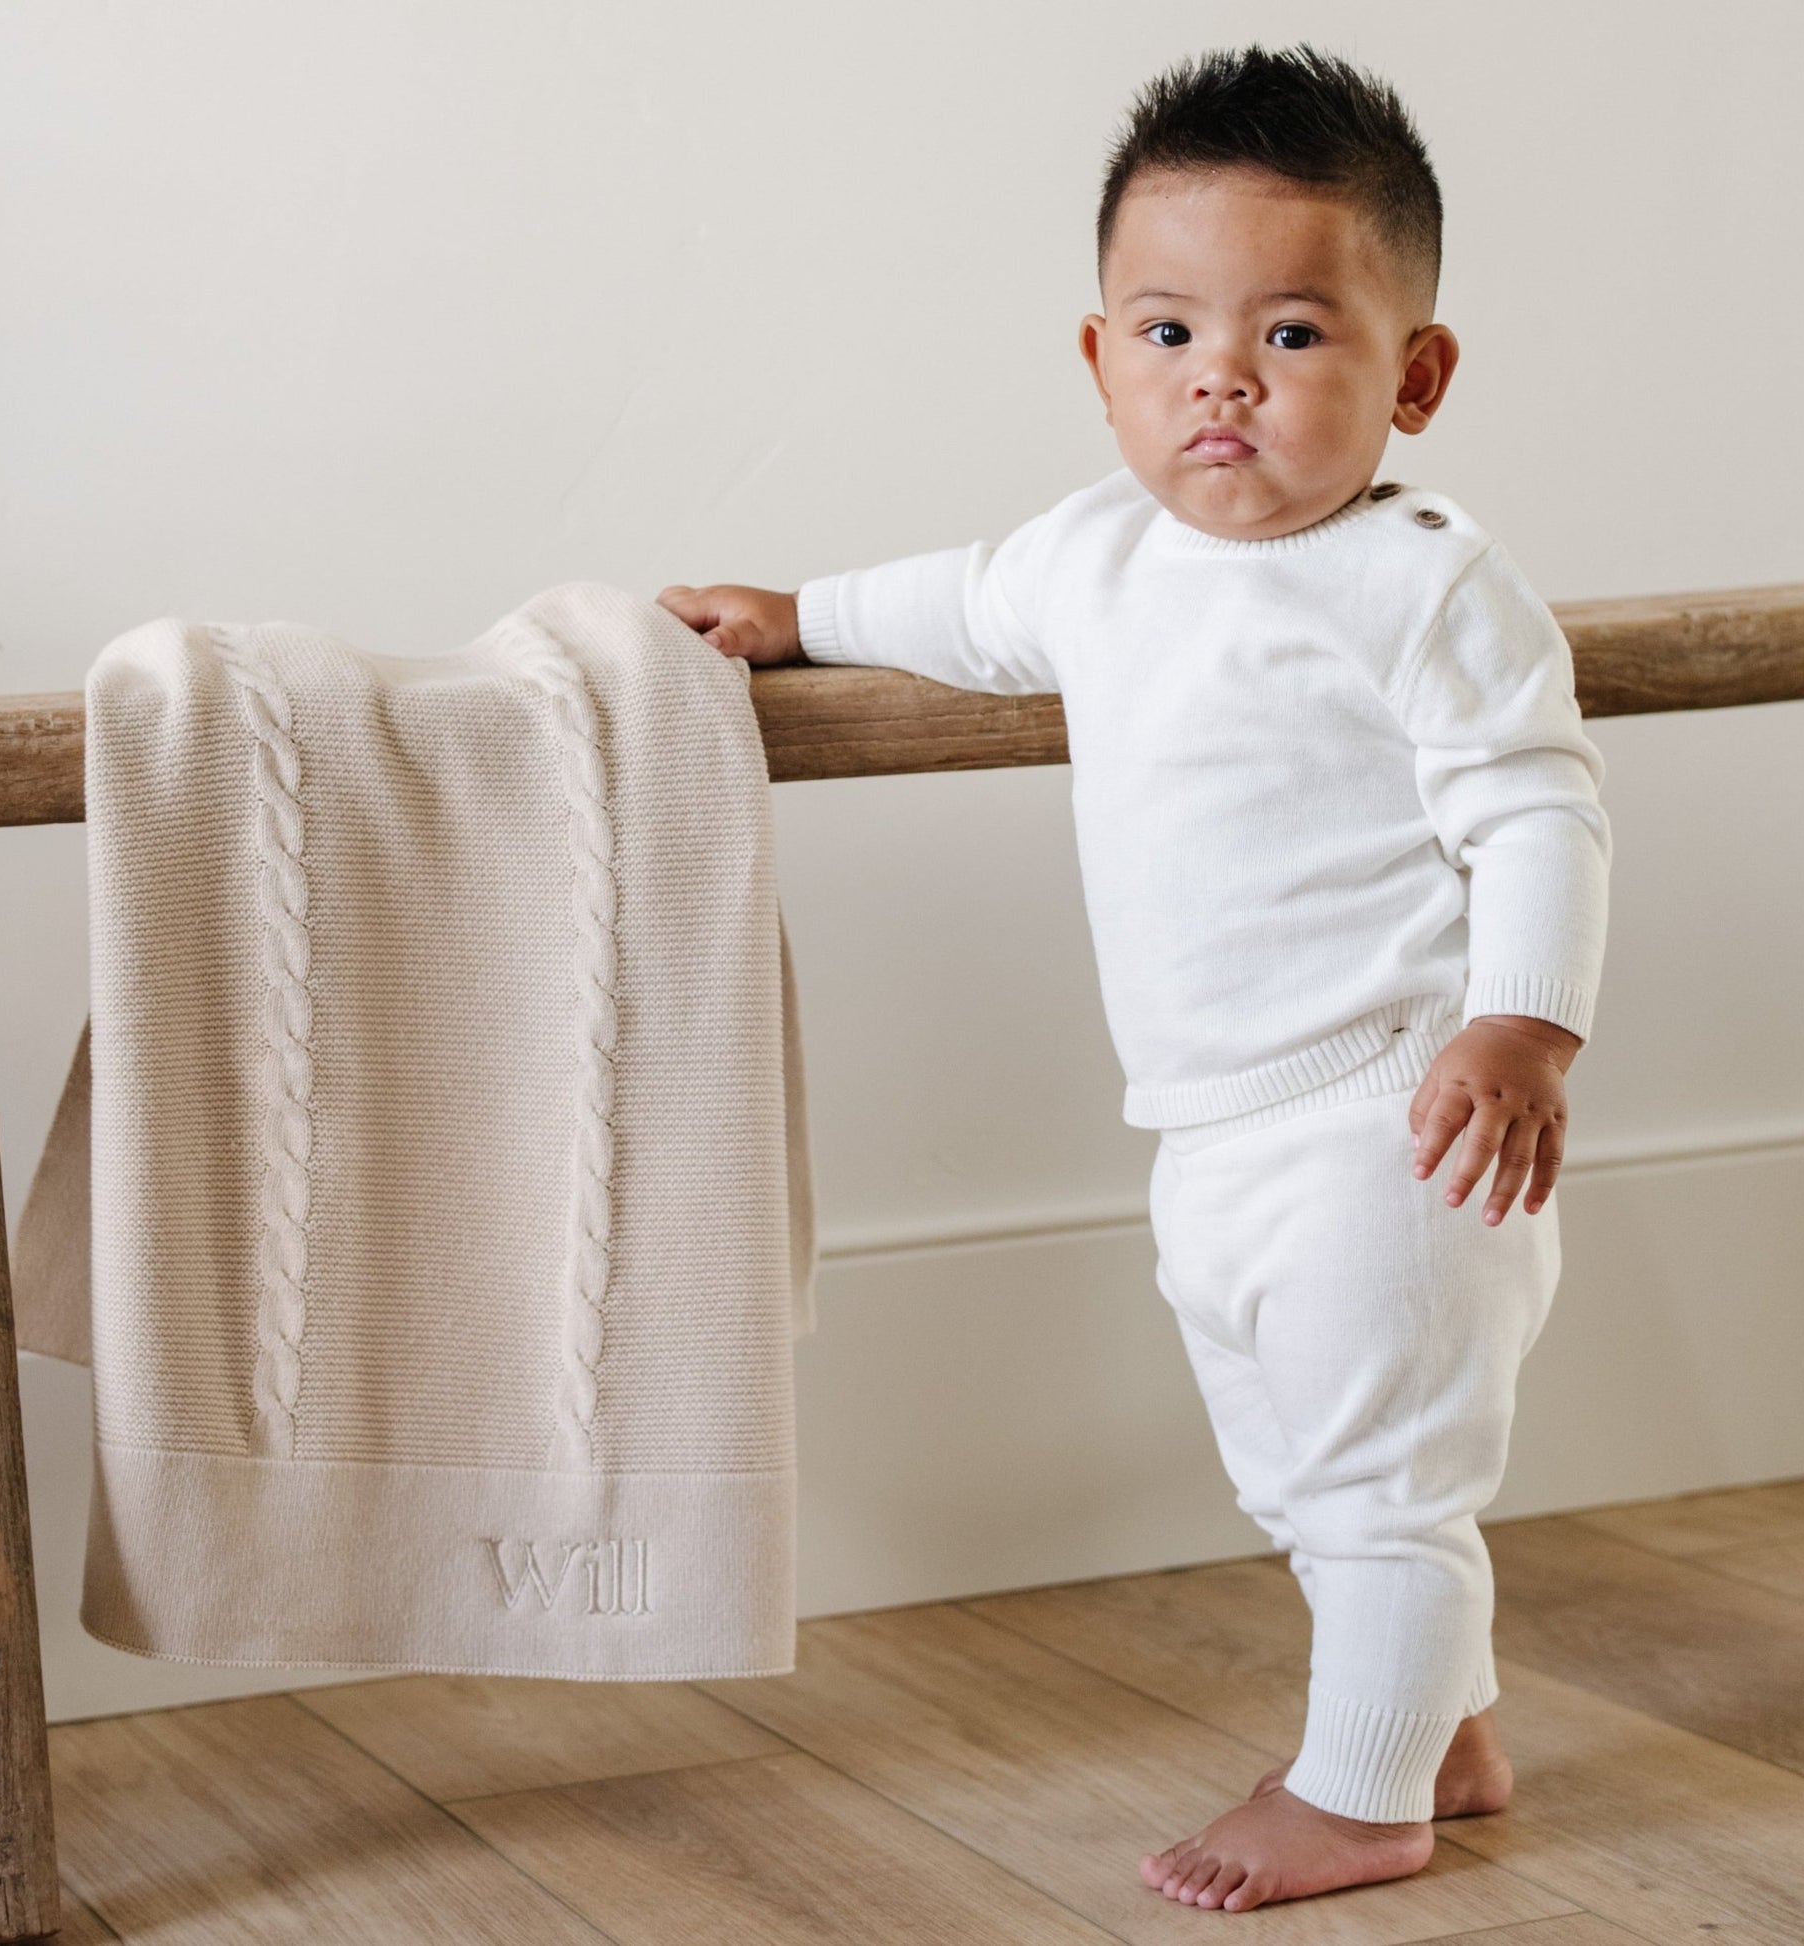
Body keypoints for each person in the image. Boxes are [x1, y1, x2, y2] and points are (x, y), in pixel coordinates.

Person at [656, 41, 1610, 1914]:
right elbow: (953, 602)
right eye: (1168, 333)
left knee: (1378, 1484)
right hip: (1209, 1124)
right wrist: (796, 614)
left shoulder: (1423, 580)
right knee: (1294, 1471)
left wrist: (1521, 1024)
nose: (1220, 380)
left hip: (1393, 1111)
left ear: (1414, 375)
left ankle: (1360, 1796)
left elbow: (1534, 808)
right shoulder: (1093, 553)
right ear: (1100, 361)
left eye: (1292, 335)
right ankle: (1438, 1731)